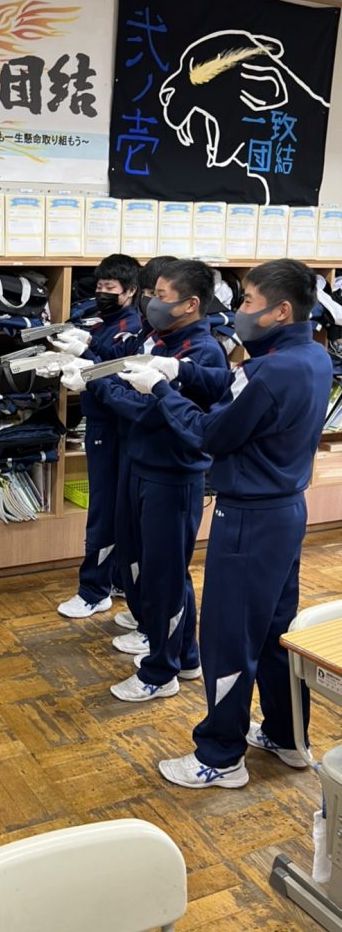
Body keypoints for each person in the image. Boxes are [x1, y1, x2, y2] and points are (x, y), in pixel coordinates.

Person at [119, 259, 332, 787]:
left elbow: (210, 433)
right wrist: (181, 372)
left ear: (281, 311)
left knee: (228, 637)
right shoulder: (310, 354)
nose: (238, 311)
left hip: (248, 520)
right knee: (275, 632)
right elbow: (235, 387)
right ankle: (286, 735)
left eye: (249, 302)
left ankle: (219, 756)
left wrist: (161, 392)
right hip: (285, 513)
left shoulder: (269, 371)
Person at [74, 260, 228, 703]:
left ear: (190, 304)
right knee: (143, 565)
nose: (151, 303)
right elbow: (127, 387)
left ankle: (161, 672)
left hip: (172, 478)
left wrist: (96, 386)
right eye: (150, 294)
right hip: (141, 465)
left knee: (166, 577)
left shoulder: (201, 353)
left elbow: (149, 411)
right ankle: (185, 655)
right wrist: (93, 370)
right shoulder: (161, 339)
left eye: (160, 296)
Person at [52, 254, 142, 619]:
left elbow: (119, 370)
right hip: (101, 419)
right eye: (100, 285)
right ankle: (114, 581)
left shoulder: (134, 326)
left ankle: (93, 590)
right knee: (112, 506)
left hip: (116, 423)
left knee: (105, 508)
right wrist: (83, 343)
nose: (102, 292)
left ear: (130, 291)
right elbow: (102, 355)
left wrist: (85, 353)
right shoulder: (103, 319)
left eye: (110, 287)